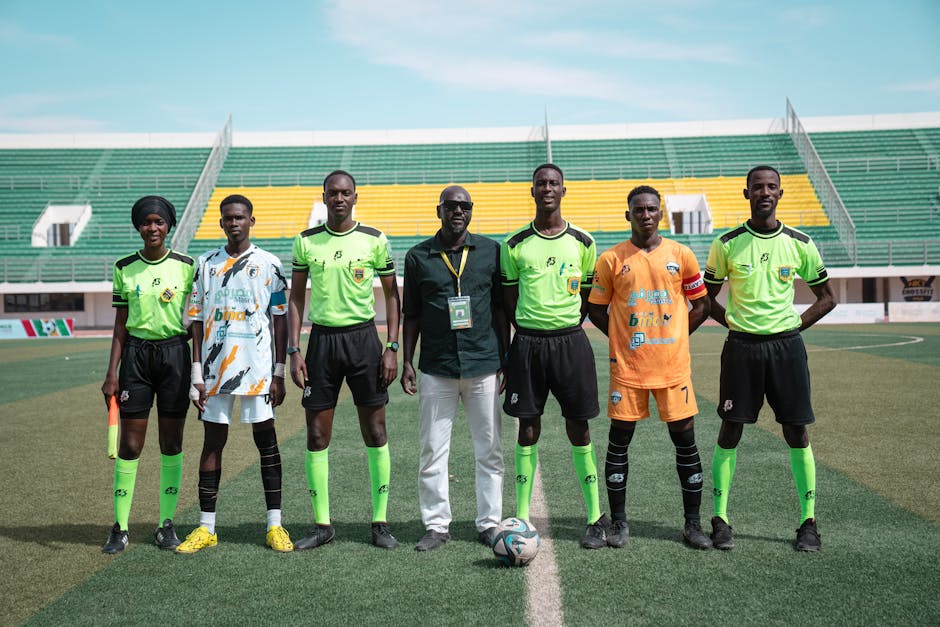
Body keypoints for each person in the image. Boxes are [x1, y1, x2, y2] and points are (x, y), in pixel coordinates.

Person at [704, 165, 836, 552]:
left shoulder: (800, 242)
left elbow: (827, 297)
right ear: (746, 194)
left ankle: (808, 522)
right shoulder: (726, 244)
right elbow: (705, 297)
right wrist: (729, 319)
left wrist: (795, 324)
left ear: (780, 194)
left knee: (796, 431)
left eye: (771, 187)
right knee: (731, 430)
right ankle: (720, 518)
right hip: (741, 348)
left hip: (786, 349)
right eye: (757, 187)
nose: (764, 192)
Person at [587, 185, 712, 550]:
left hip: (673, 369)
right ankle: (620, 523)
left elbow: (701, 305)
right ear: (628, 215)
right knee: (619, 443)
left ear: (661, 214)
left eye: (651, 209)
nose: (645, 214)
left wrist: (676, 337)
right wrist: (621, 338)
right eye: (638, 209)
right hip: (629, 370)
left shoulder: (681, 254)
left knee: (685, 443)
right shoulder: (612, 259)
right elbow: (596, 309)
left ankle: (692, 525)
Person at [288, 170, 401, 550]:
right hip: (322, 343)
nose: (339, 198)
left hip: (364, 341)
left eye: (345, 193)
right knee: (317, 434)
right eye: (333, 193)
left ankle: (380, 522)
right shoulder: (306, 242)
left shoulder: (374, 240)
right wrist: (293, 350)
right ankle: (323, 525)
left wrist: (392, 346)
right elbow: (296, 298)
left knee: (375, 431)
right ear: (323, 197)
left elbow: (392, 296)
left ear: (356, 197)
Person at [175, 194, 293, 554]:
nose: (234, 222)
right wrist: (196, 374)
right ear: (221, 223)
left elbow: (281, 318)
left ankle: (275, 525)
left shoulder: (270, 264)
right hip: (214, 372)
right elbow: (194, 322)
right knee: (213, 442)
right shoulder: (206, 264)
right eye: (228, 218)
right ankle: (206, 527)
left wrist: (279, 372)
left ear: (251, 221)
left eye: (240, 217)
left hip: (257, 370)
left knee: (267, 443)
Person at [501, 163, 609, 549]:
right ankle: (522, 516)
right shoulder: (513, 245)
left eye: (554, 184)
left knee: (578, 427)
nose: (547, 189)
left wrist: (563, 327)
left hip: (570, 343)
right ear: (532, 191)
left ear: (564, 190)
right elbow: (510, 303)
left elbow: (587, 298)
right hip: (527, 345)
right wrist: (530, 331)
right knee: (527, 429)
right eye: (540, 184)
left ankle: (595, 516)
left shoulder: (583, 241)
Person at [400, 185, 510, 552]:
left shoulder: (491, 251)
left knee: (489, 450)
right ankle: (435, 525)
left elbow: (499, 310)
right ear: (439, 211)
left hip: (483, 364)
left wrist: (505, 359)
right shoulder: (418, 257)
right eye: (451, 206)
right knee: (432, 450)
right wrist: (406, 362)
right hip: (436, 367)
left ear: (471, 211)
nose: (458, 211)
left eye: (464, 206)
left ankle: (489, 522)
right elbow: (411, 314)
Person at [100, 195, 194, 554]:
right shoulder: (124, 267)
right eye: (146, 222)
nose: (152, 228)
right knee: (130, 444)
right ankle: (120, 527)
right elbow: (120, 323)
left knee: (171, 443)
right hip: (136, 360)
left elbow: (196, 320)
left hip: (175, 357)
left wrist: (197, 368)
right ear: (138, 226)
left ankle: (165, 524)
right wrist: (112, 372)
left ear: (168, 226)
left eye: (159, 222)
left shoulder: (187, 266)